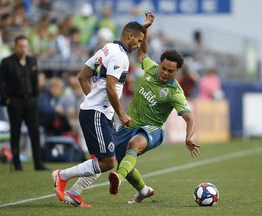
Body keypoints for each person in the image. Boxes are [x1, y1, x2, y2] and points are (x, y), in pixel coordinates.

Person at [59, 11, 200, 208]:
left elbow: (189, 118)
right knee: (106, 159)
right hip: (129, 124)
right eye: (163, 68)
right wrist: (145, 28)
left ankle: (118, 176)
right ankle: (141, 190)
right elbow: (142, 52)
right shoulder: (151, 68)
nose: (165, 73)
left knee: (133, 146)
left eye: (170, 71)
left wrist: (188, 137)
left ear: (177, 72)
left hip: (152, 130)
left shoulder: (175, 92)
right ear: (160, 65)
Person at [51, 17, 148, 208]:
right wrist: (121, 114)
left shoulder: (106, 49)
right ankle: (62, 175)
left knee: (101, 158)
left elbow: (82, 76)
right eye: (138, 41)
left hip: (99, 112)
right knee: (108, 162)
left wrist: (93, 99)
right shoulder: (119, 56)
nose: (139, 45)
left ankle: (74, 193)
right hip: (97, 114)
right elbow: (111, 88)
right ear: (130, 36)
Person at [0, 35, 48, 171]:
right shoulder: (7, 62)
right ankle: (17, 162)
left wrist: (36, 95)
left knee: (34, 131)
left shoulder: (32, 61)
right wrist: (6, 98)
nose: (23, 49)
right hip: (15, 100)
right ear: (15, 46)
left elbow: (34, 80)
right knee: (15, 132)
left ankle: (38, 162)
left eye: (25, 46)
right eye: (21, 46)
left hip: (30, 100)